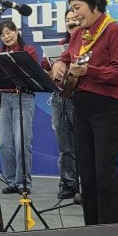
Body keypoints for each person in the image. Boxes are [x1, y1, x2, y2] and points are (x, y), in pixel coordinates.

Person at [51, 0, 118, 225]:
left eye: (77, 7)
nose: (74, 14)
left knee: (105, 172)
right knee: (86, 173)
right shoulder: (78, 33)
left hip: (108, 107)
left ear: (94, 5)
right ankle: (93, 229)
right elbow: (66, 57)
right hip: (81, 106)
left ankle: (116, 230)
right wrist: (59, 64)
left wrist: (89, 70)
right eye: (72, 8)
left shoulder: (114, 30)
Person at [0, 21, 38, 194]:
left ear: (17, 31)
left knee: (22, 142)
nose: (6, 37)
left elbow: (31, 73)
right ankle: (12, 180)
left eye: (9, 32)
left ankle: (23, 183)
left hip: (23, 97)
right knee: (4, 143)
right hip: (4, 98)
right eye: (2, 34)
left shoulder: (28, 51)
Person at [41, 10, 79, 200]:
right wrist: (52, 72)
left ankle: (85, 183)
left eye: (75, 19)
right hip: (59, 97)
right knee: (65, 145)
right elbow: (45, 72)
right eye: (68, 20)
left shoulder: (87, 44)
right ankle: (68, 182)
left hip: (80, 97)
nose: (71, 23)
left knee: (82, 143)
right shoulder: (59, 46)